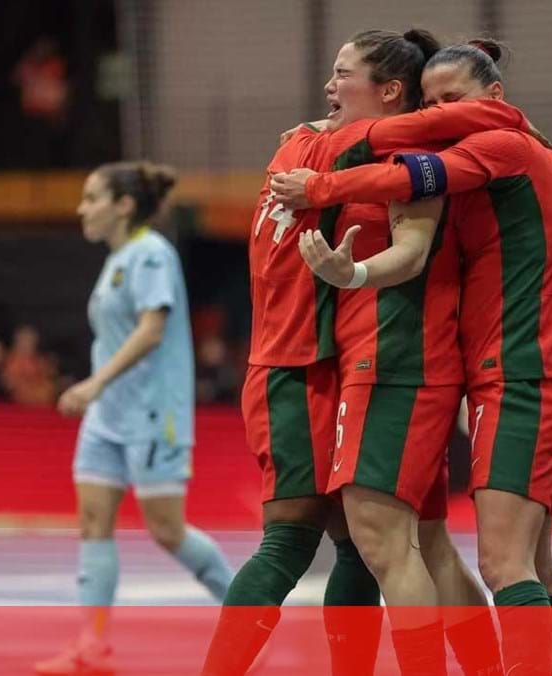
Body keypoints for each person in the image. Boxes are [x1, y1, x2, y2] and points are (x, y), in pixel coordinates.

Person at [202, 29, 533, 676]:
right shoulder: (320, 143)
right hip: (300, 365)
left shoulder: (378, 151)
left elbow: (413, 243)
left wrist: (484, 113)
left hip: (378, 363)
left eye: (341, 72)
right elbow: (463, 122)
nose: (328, 86)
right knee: (352, 543)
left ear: (385, 90)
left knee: (375, 545)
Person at [272, 41, 552, 676]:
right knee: (532, 566)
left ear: (496, 99)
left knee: (504, 564)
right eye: (434, 101)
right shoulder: (522, 148)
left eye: (456, 100)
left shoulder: (505, 145)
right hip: (511, 373)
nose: (442, 113)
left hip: (520, 375)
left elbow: (409, 175)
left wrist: (320, 180)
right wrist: (328, 130)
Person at [35, 161, 233, 675]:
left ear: (123, 206)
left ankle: (248, 615)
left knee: (167, 531)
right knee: (92, 522)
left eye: (91, 198)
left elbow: (150, 330)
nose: (82, 209)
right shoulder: (118, 259)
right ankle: (91, 646)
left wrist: (94, 383)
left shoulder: (150, 254)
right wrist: (100, 394)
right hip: (107, 416)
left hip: (152, 412)